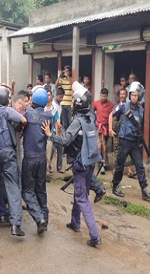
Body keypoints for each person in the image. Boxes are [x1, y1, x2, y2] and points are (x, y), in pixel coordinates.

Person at [42, 82, 102, 247]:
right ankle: (75, 223)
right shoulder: (91, 117)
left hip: (80, 163)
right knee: (80, 192)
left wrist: (50, 135)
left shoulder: (77, 121)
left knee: (82, 198)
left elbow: (66, 140)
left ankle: (95, 235)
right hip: (91, 162)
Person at [0, 86, 27, 236]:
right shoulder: (7, 110)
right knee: (12, 186)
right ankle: (15, 225)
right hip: (7, 152)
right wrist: (19, 128)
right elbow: (23, 119)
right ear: (6, 100)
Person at [109, 82, 150, 201]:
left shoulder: (140, 109)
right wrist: (110, 129)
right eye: (132, 95)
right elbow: (111, 114)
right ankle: (115, 186)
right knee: (120, 166)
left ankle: (144, 191)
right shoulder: (123, 106)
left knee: (140, 166)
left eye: (136, 95)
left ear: (139, 96)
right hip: (124, 141)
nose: (134, 97)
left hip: (134, 142)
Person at [22, 88, 51, 235]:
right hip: (42, 158)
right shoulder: (49, 116)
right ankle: (45, 220)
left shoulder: (28, 113)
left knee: (27, 191)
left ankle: (39, 219)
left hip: (30, 158)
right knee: (41, 190)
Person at [92, 88, 114, 174]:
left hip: (107, 129)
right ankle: (100, 163)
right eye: (101, 96)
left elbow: (113, 117)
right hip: (98, 128)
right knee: (99, 146)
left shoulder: (111, 105)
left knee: (104, 147)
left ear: (107, 96)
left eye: (104, 96)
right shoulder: (96, 103)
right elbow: (92, 112)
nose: (103, 97)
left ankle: (103, 162)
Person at [56, 65, 73, 130]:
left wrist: (68, 76)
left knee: (70, 121)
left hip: (69, 103)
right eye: (65, 71)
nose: (66, 72)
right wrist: (59, 76)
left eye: (67, 71)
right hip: (63, 103)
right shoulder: (62, 79)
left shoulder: (71, 79)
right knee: (64, 122)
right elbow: (56, 85)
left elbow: (72, 84)